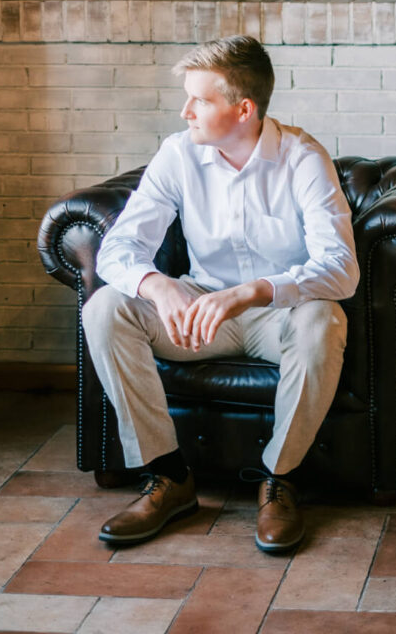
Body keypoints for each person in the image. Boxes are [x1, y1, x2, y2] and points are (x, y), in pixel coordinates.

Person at [83, 35, 359, 553]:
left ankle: (279, 480)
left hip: (280, 315)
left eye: (201, 100)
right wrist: (157, 286)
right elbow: (118, 248)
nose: (186, 111)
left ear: (243, 109)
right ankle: (168, 478)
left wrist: (251, 292)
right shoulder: (177, 154)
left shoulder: (303, 158)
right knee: (105, 308)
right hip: (197, 310)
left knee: (325, 320)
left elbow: (341, 270)